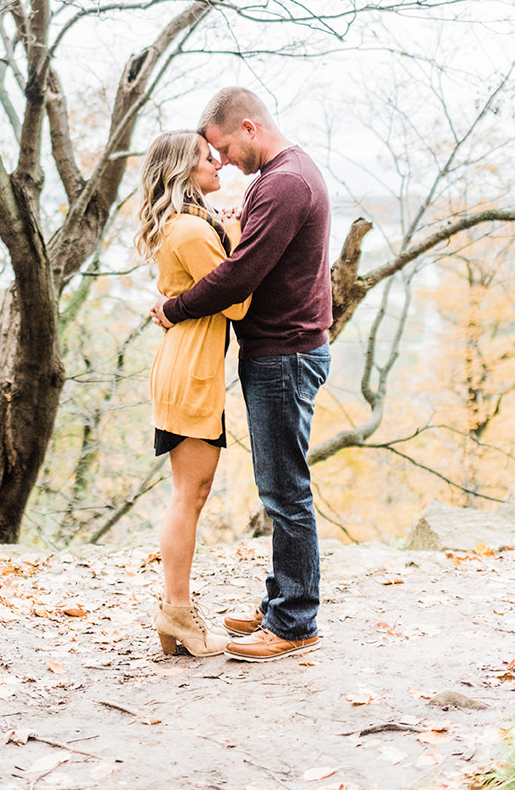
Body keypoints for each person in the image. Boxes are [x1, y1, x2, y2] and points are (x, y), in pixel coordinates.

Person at [151, 87, 332, 662]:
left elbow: (238, 278)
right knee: (279, 486)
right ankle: (282, 600)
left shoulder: (283, 183)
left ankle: (295, 622)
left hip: (284, 353)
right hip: (276, 352)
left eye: (223, 147)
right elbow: (236, 259)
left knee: (285, 492)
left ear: (249, 127)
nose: (222, 160)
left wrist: (172, 308)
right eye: (212, 155)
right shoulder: (279, 179)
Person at [135, 129, 251, 657]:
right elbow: (237, 305)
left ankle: (175, 614)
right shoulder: (192, 231)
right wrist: (237, 236)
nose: (218, 166)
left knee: (193, 494)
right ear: (185, 168)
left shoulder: (185, 226)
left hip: (186, 364)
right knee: (191, 495)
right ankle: (176, 611)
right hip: (191, 373)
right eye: (208, 159)